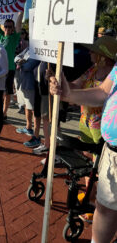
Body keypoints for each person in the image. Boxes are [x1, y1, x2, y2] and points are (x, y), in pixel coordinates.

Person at [49, 38, 117, 243]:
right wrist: (67, 93)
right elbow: (103, 92)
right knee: (105, 208)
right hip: (112, 150)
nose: (90, 53)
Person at [0, 0, 26, 119]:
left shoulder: (14, 37)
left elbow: (19, 22)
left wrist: (22, 4)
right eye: (6, 26)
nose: (8, 28)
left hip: (9, 69)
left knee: (7, 92)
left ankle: (4, 114)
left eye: (10, 27)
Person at [14, 47, 40, 136]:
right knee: (26, 106)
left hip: (30, 84)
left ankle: (36, 134)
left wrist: (21, 62)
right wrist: (19, 61)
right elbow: (16, 57)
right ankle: (28, 127)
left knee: (33, 109)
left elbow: (28, 67)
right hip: (22, 82)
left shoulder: (40, 51)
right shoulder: (29, 48)